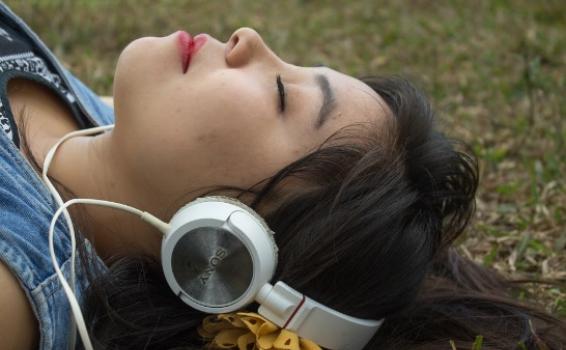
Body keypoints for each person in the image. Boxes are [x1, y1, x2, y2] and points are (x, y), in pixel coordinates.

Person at [0, 2, 564, 350]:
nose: (250, 38)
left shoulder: (16, 288)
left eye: (279, 96)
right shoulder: (98, 123)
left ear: (226, 249)